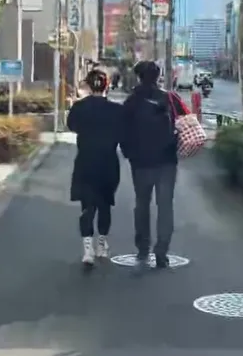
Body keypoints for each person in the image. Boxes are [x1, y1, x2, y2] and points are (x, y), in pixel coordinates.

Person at [121, 60, 188, 269]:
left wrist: (130, 154)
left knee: (142, 204)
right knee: (165, 206)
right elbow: (186, 122)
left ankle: (143, 249)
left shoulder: (132, 101)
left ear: (139, 77)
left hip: (141, 163)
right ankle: (161, 252)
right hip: (167, 161)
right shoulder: (170, 98)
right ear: (158, 77)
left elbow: (122, 131)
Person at [67, 69, 124, 268]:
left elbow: (71, 126)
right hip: (108, 162)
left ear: (89, 85)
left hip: (85, 161)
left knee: (87, 206)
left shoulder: (79, 107)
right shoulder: (116, 110)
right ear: (107, 85)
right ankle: (101, 245)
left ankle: (87, 250)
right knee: (105, 204)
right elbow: (123, 134)